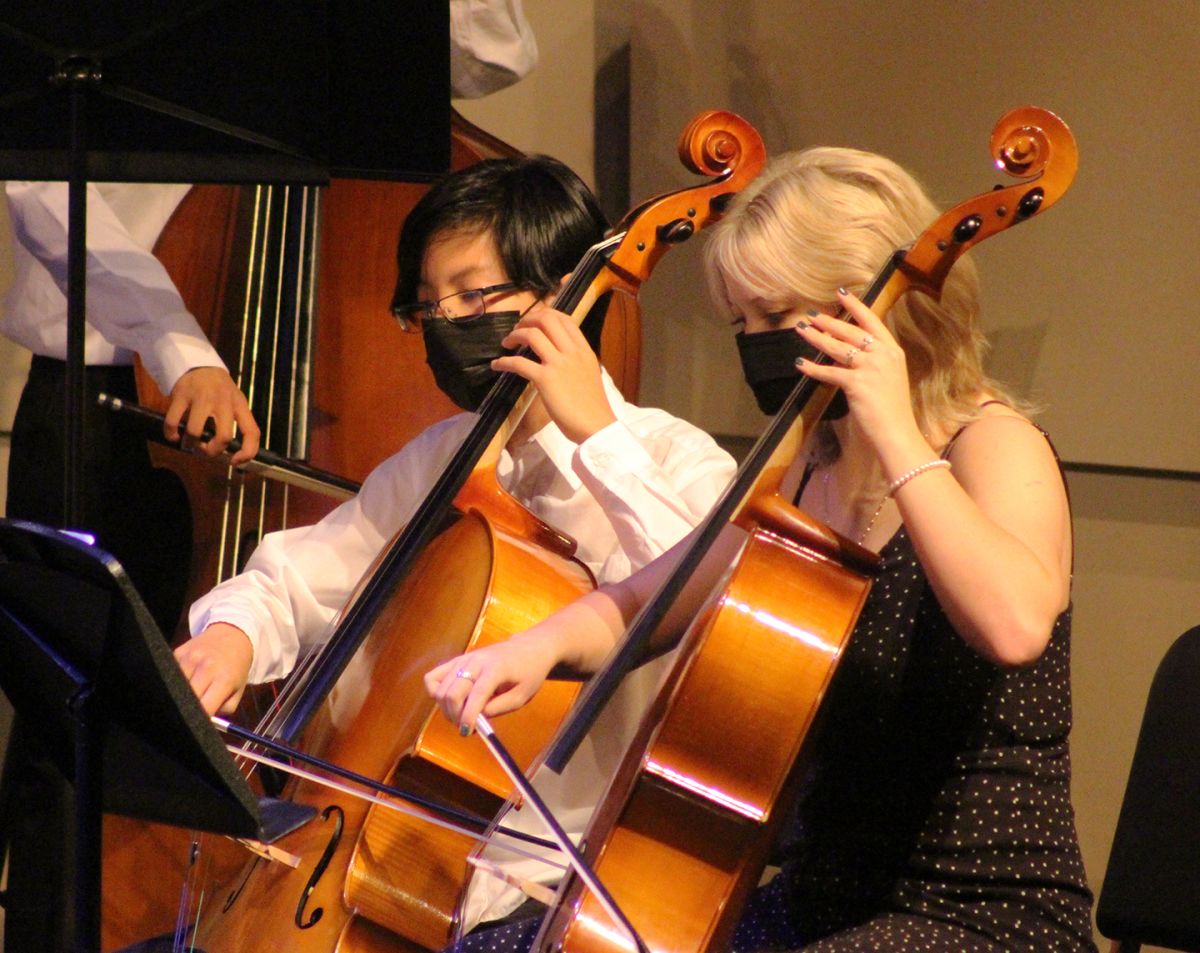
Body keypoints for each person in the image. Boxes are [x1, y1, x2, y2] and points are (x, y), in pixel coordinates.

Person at [426, 146, 1098, 951]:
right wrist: (530, 649)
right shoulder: (808, 464)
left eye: (778, 317)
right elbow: (661, 593)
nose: (759, 344)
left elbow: (1015, 624)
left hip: (979, 912)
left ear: (873, 305)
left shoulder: (993, 443)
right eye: (743, 323)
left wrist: (893, 430)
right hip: (819, 899)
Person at [175, 154, 736, 933]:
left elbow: (707, 615)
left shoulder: (678, 460)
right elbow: (300, 577)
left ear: (565, 294)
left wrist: (597, 438)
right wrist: (233, 636)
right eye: (429, 307)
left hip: (560, 882)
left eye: (476, 295)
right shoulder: (444, 457)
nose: (448, 325)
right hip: (403, 863)